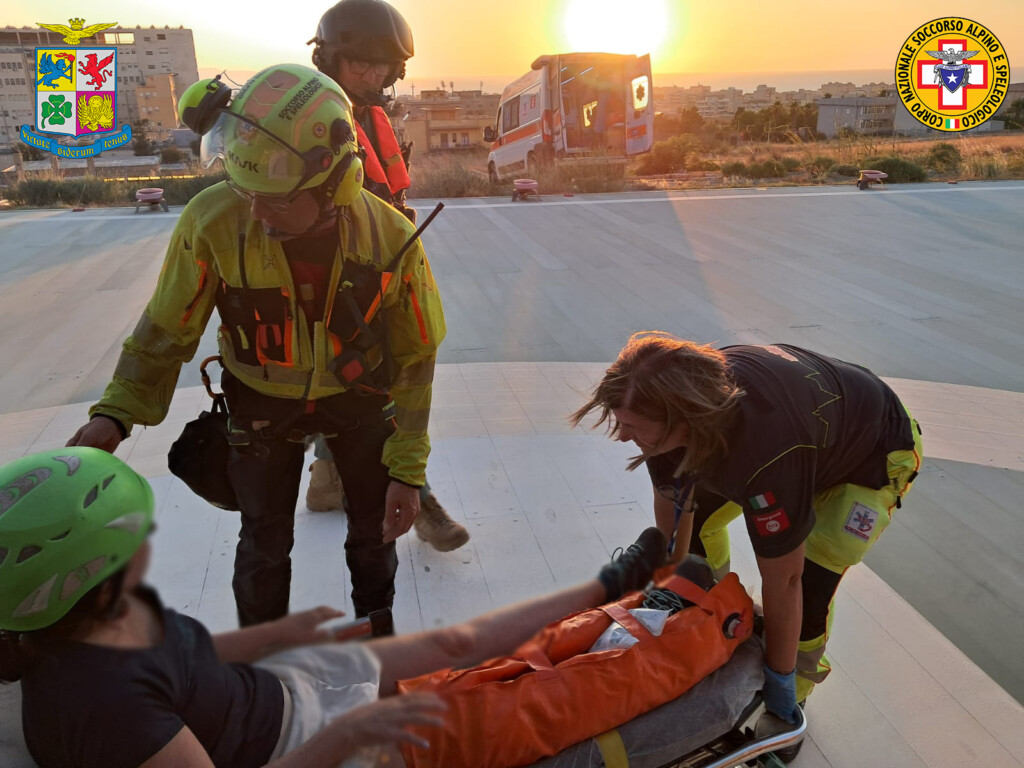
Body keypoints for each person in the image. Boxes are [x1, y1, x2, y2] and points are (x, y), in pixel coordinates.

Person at [67, 64, 445, 629]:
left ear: (333, 181)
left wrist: (407, 469)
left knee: (373, 536)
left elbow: (415, 359)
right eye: (246, 193)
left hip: (361, 400)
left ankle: (377, 637)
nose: (256, 213)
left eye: (275, 201)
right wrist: (117, 414)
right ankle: (260, 659)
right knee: (263, 541)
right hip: (259, 404)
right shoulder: (214, 220)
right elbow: (168, 329)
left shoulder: (389, 238)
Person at [0, 447, 666, 768]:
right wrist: (345, 737)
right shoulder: (102, 706)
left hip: (285, 689)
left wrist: (280, 638)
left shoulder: (89, 623)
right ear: (92, 576)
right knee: (497, 703)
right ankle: (652, 642)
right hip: (301, 743)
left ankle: (608, 586)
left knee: (456, 644)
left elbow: (183, 658)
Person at [572, 332, 923, 761]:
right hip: (801, 423)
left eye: (632, 426)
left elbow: (786, 581)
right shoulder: (671, 413)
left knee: (812, 585)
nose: (622, 437)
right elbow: (672, 508)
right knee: (696, 535)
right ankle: (713, 614)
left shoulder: (766, 454)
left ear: (682, 421)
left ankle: (793, 694)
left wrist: (779, 681)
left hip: (869, 454)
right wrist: (674, 584)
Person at [305, 0, 469, 554]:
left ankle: (328, 483)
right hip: (342, 281)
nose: (374, 76)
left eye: (384, 67)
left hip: (386, 271)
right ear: (331, 60)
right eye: (361, 66)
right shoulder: (311, 121)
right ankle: (415, 495)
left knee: (350, 386)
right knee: (385, 388)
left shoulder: (369, 115)